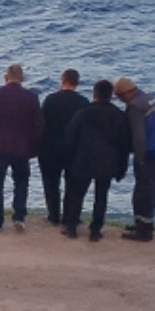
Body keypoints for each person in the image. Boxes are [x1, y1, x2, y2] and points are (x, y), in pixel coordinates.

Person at [0, 64, 43, 233]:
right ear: (22, 79)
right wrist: (33, 148)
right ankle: (19, 216)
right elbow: (39, 127)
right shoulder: (31, 98)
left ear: (6, 78)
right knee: (21, 182)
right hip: (21, 148)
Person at [61, 79, 130, 240]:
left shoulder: (83, 113)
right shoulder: (119, 116)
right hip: (107, 162)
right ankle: (95, 230)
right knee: (101, 196)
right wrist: (122, 167)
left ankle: (71, 227)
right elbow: (124, 145)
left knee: (77, 194)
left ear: (95, 94)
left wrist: (68, 161)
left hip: (83, 160)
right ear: (111, 95)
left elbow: (70, 138)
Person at [113, 77, 155, 242]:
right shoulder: (150, 98)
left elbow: (139, 136)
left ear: (127, 92)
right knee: (153, 189)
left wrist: (138, 157)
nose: (120, 100)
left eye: (120, 96)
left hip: (149, 153)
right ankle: (145, 223)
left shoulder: (135, 107)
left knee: (142, 192)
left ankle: (143, 230)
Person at [38, 69, 90, 227]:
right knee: (73, 184)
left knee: (51, 183)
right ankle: (70, 216)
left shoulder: (50, 100)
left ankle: (53, 215)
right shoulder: (83, 102)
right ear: (77, 82)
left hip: (50, 148)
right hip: (73, 150)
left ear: (63, 80)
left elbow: (41, 124)